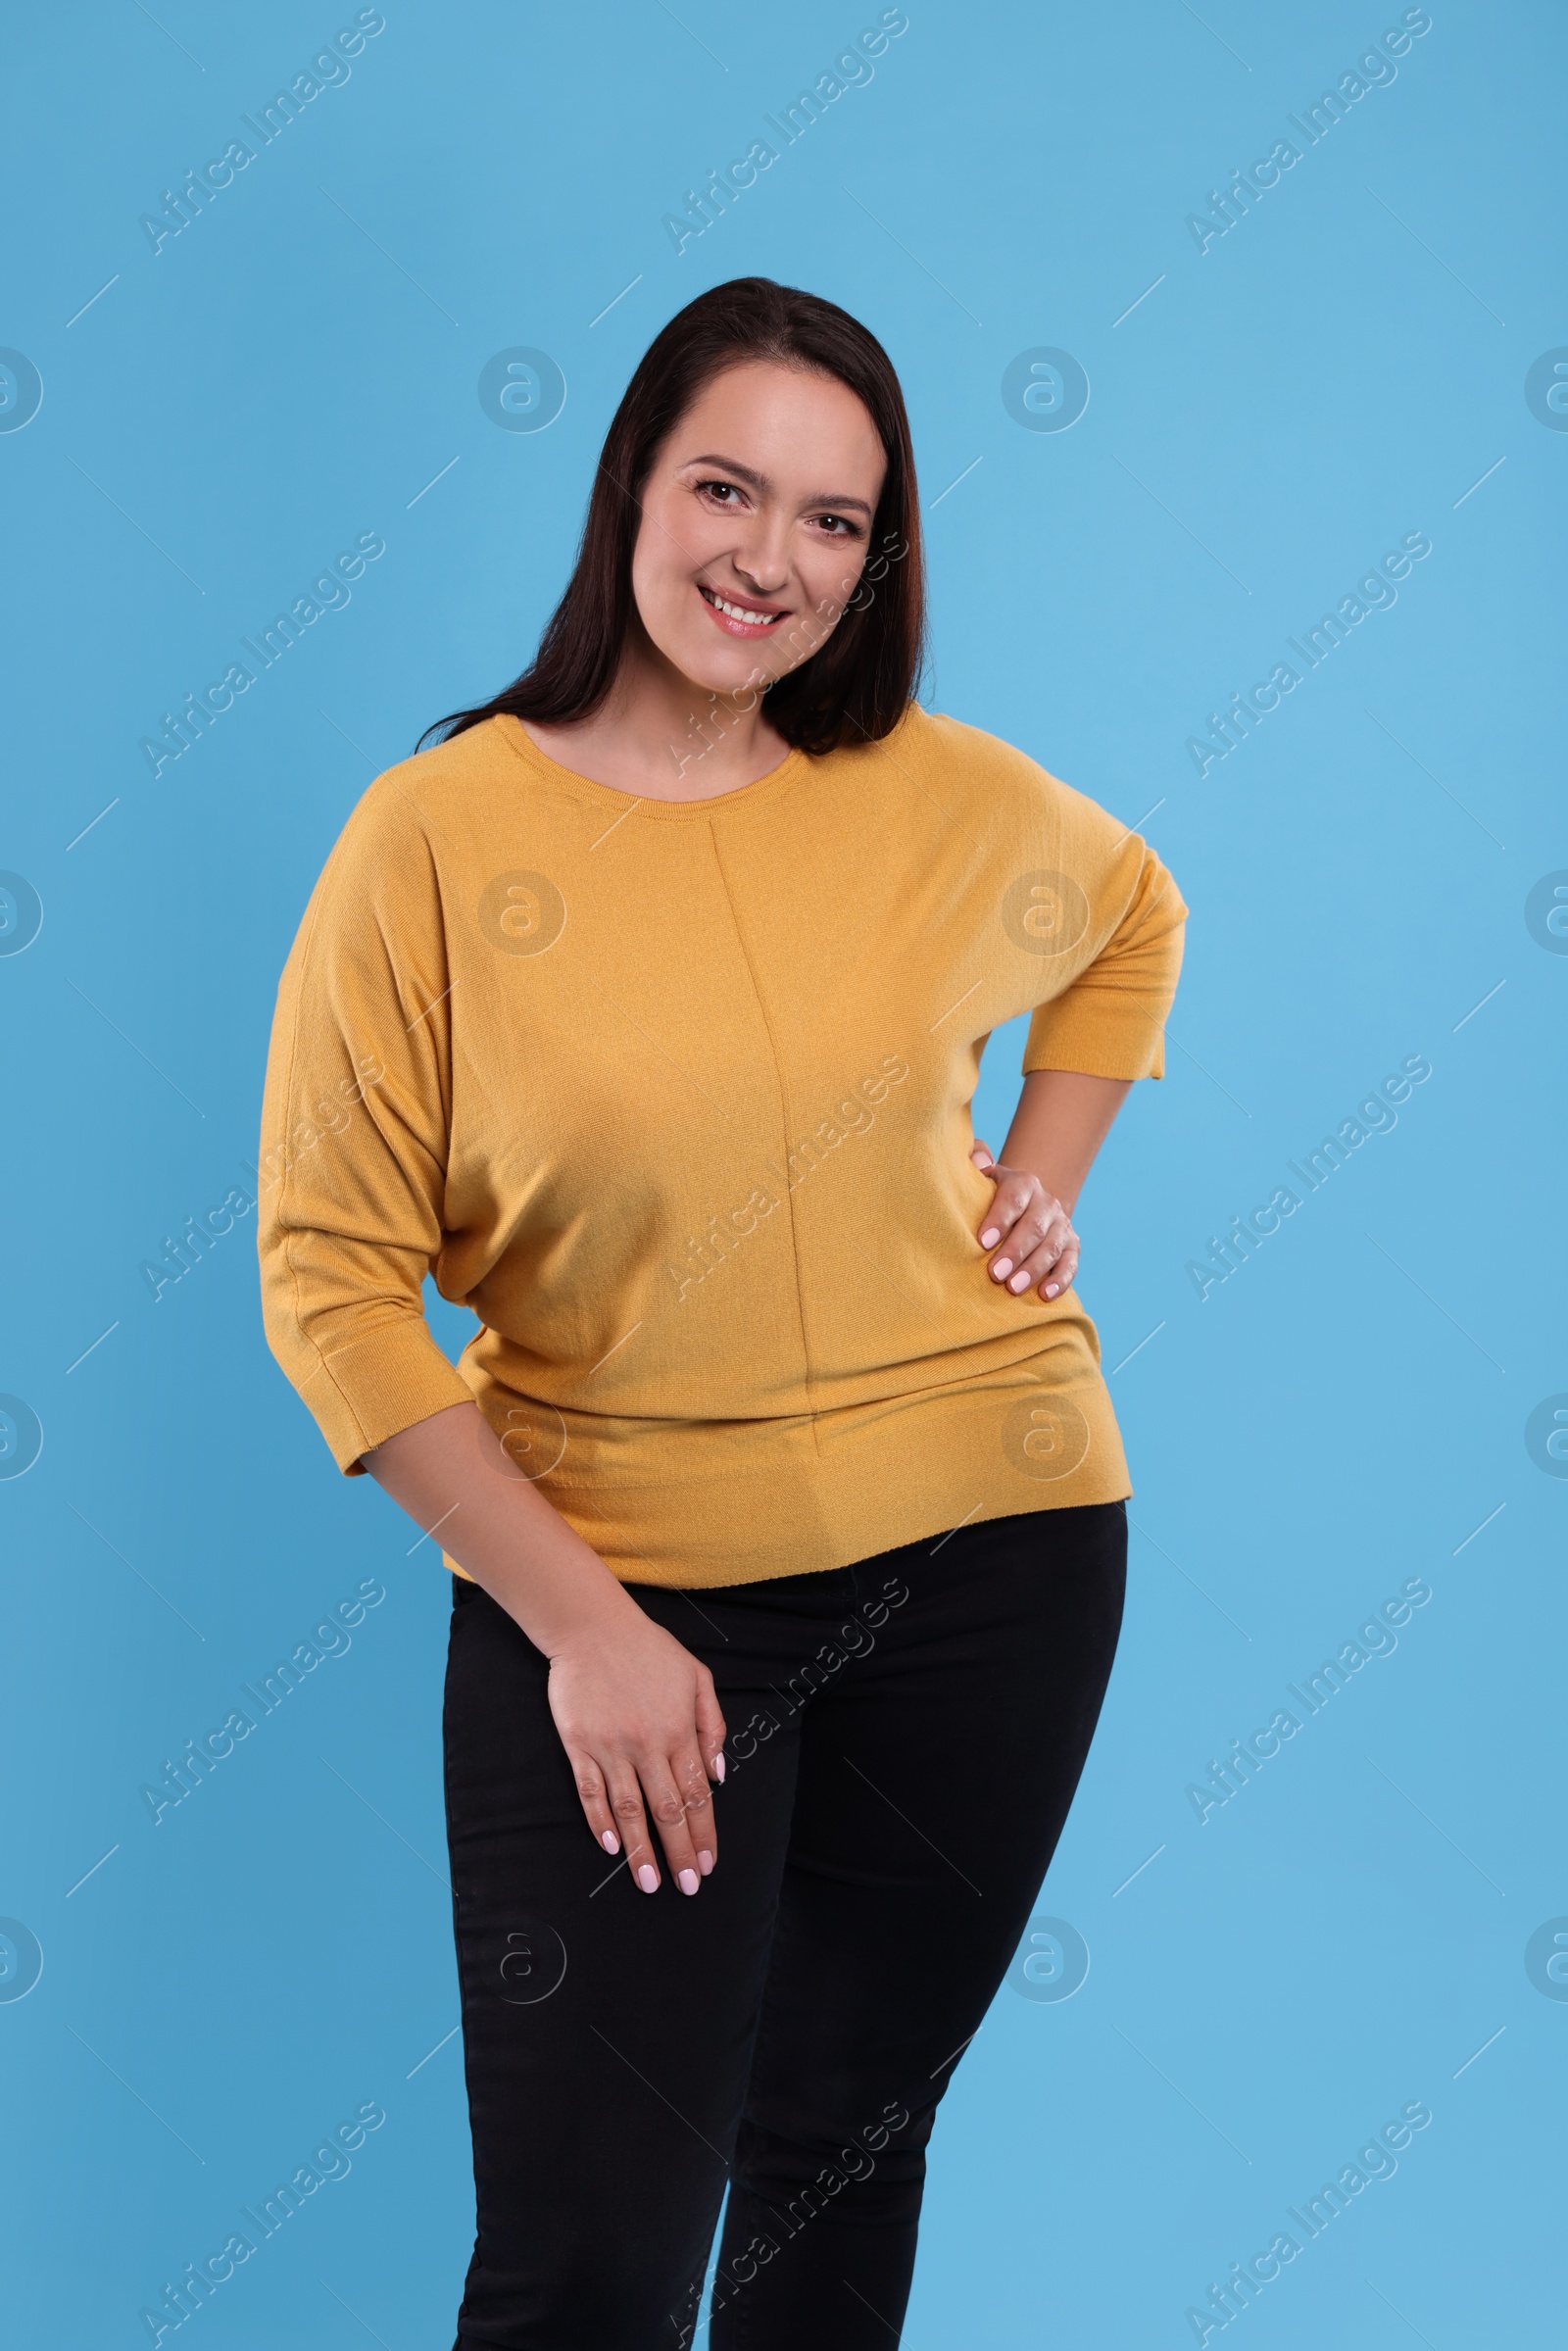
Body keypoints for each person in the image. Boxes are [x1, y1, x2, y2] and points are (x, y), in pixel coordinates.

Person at [257, 275, 1186, 2350]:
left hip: (996, 1553)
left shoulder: (932, 796)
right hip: (628, 1593)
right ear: (629, 491)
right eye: (726, 489)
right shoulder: (436, 838)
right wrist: (583, 1631)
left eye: (835, 521)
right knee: (587, 2259)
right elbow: (325, 1274)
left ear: (878, 559)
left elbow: (1129, 913)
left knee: (838, 2156)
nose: (770, 560)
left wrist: (1037, 1182)